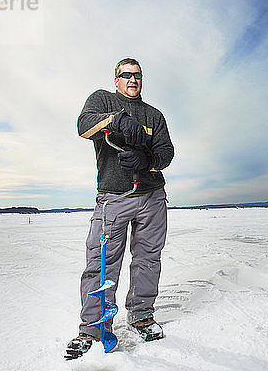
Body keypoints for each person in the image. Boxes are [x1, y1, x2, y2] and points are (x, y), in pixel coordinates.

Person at [66, 58, 174, 358]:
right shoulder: (101, 99)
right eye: (126, 75)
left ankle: (141, 316)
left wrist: (147, 161)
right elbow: (83, 126)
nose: (132, 80)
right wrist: (115, 120)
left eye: (137, 75)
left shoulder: (154, 115)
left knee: (148, 259)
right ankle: (93, 328)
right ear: (116, 80)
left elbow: (167, 151)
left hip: (152, 198)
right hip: (113, 199)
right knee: (101, 264)